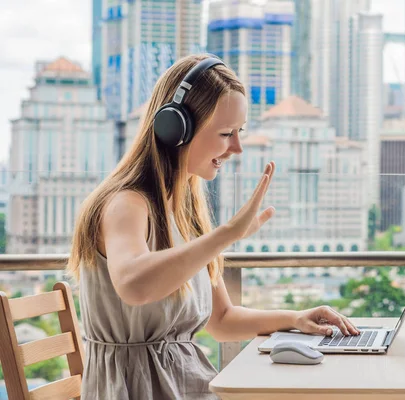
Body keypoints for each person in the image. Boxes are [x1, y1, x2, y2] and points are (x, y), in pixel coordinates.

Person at [67, 54, 359, 399]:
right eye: (225, 133)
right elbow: (133, 285)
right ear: (174, 128)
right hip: (136, 390)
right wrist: (227, 234)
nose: (236, 147)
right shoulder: (125, 204)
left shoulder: (184, 212)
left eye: (240, 133)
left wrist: (295, 319)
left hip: (189, 385)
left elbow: (221, 320)